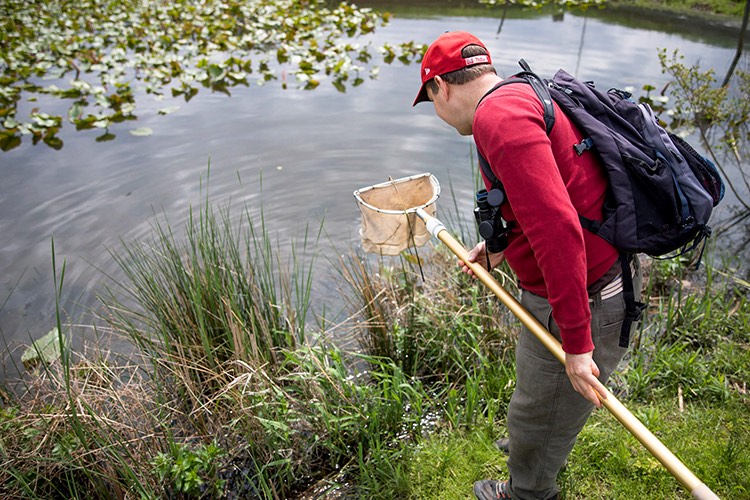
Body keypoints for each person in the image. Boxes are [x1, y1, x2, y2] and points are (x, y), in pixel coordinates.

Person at [413, 31, 642, 500]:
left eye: (430, 99)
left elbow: (559, 230)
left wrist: (578, 345)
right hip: (585, 285)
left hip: (587, 298)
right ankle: (532, 439)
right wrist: (498, 248)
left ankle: (528, 488)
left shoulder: (498, 121)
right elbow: (538, 197)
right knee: (536, 400)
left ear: (443, 87)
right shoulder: (517, 93)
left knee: (541, 409)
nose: (436, 113)